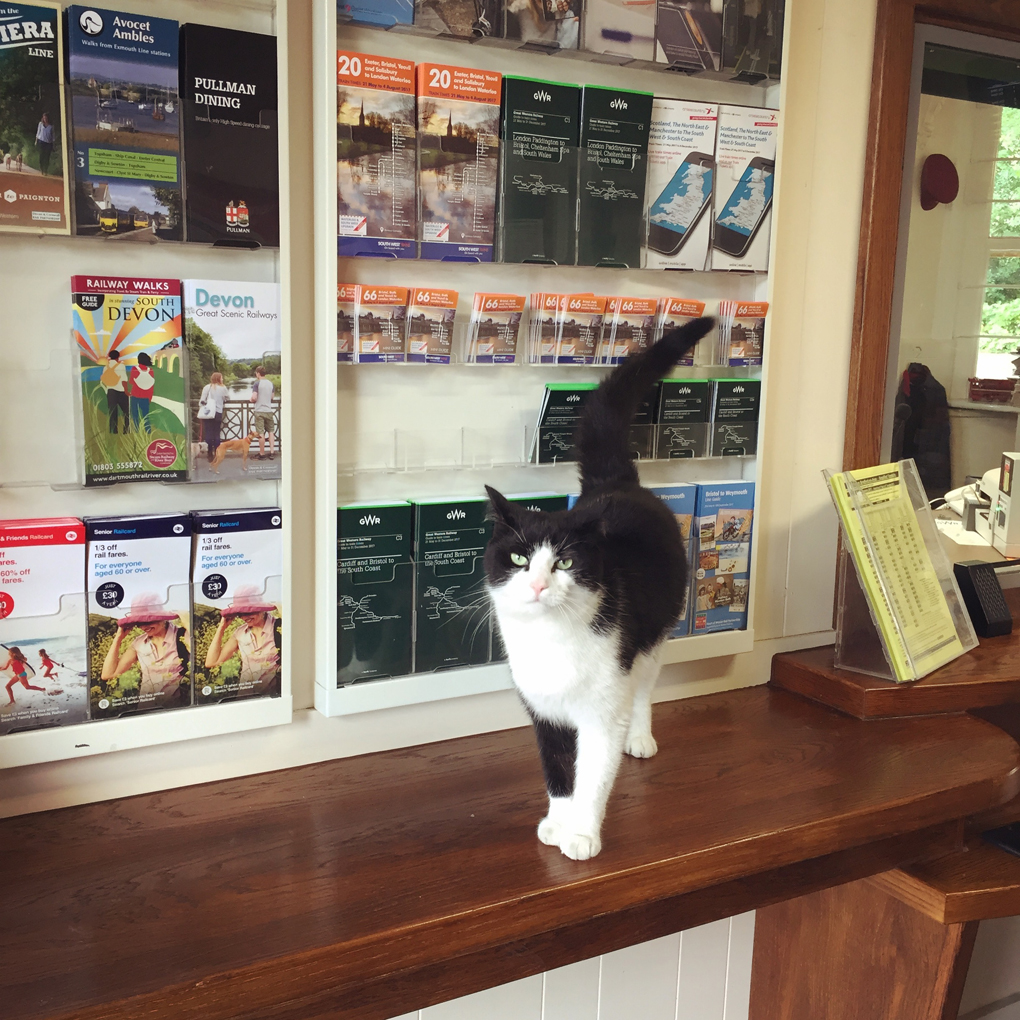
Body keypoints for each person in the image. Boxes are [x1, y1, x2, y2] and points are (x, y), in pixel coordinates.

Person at [101, 593, 189, 706]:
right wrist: (118, 638)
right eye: (139, 623)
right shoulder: (139, 643)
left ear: (162, 618)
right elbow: (108, 674)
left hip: (177, 708)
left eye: (148, 621)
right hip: (146, 708)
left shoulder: (182, 636)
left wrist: (187, 622)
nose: (143, 627)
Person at [205, 585, 281, 697]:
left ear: (261, 609)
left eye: (249, 611)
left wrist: (280, 607)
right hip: (245, 698)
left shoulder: (280, 627)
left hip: (273, 698)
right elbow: (211, 662)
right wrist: (221, 627)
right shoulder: (239, 633)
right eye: (240, 613)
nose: (245, 617)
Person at [199, 371, 229, 463]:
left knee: (208, 433)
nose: (222, 379)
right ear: (219, 379)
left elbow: (201, 401)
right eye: (221, 377)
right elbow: (227, 398)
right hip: (218, 413)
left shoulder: (207, 387)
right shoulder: (223, 388)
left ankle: (209, 454)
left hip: (208, 413)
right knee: (216, 434)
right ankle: (217, 453)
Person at [250, 365, 276, 461]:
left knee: (261, 433)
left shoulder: (257, 384)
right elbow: (272, 397)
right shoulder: (271, 383)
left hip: (259, 411)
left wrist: (251, 399)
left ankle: (262, 453)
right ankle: (272, 452)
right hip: (269, 410)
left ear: (258, 373)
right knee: (271, 431)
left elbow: (254, 397)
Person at [100, 349, 129, 434]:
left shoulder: (106, 367)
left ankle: (113, 431)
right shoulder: (121, 366)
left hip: (110, 391)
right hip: (121, 391)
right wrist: (126, 391)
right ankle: (126, 430)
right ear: (118, 357)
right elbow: (124, 380)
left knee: (112, 412)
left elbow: (104, 380)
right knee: (127, 412)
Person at [128, 352, 155, 434]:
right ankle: (148, 431)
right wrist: (149, 398)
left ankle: (136, 431)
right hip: (146, 397)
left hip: (135, 395)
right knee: (145, 416)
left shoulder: (134, 368)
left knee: (135, 415)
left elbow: (131, 381)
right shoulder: (150, 370)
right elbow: (151, 386)